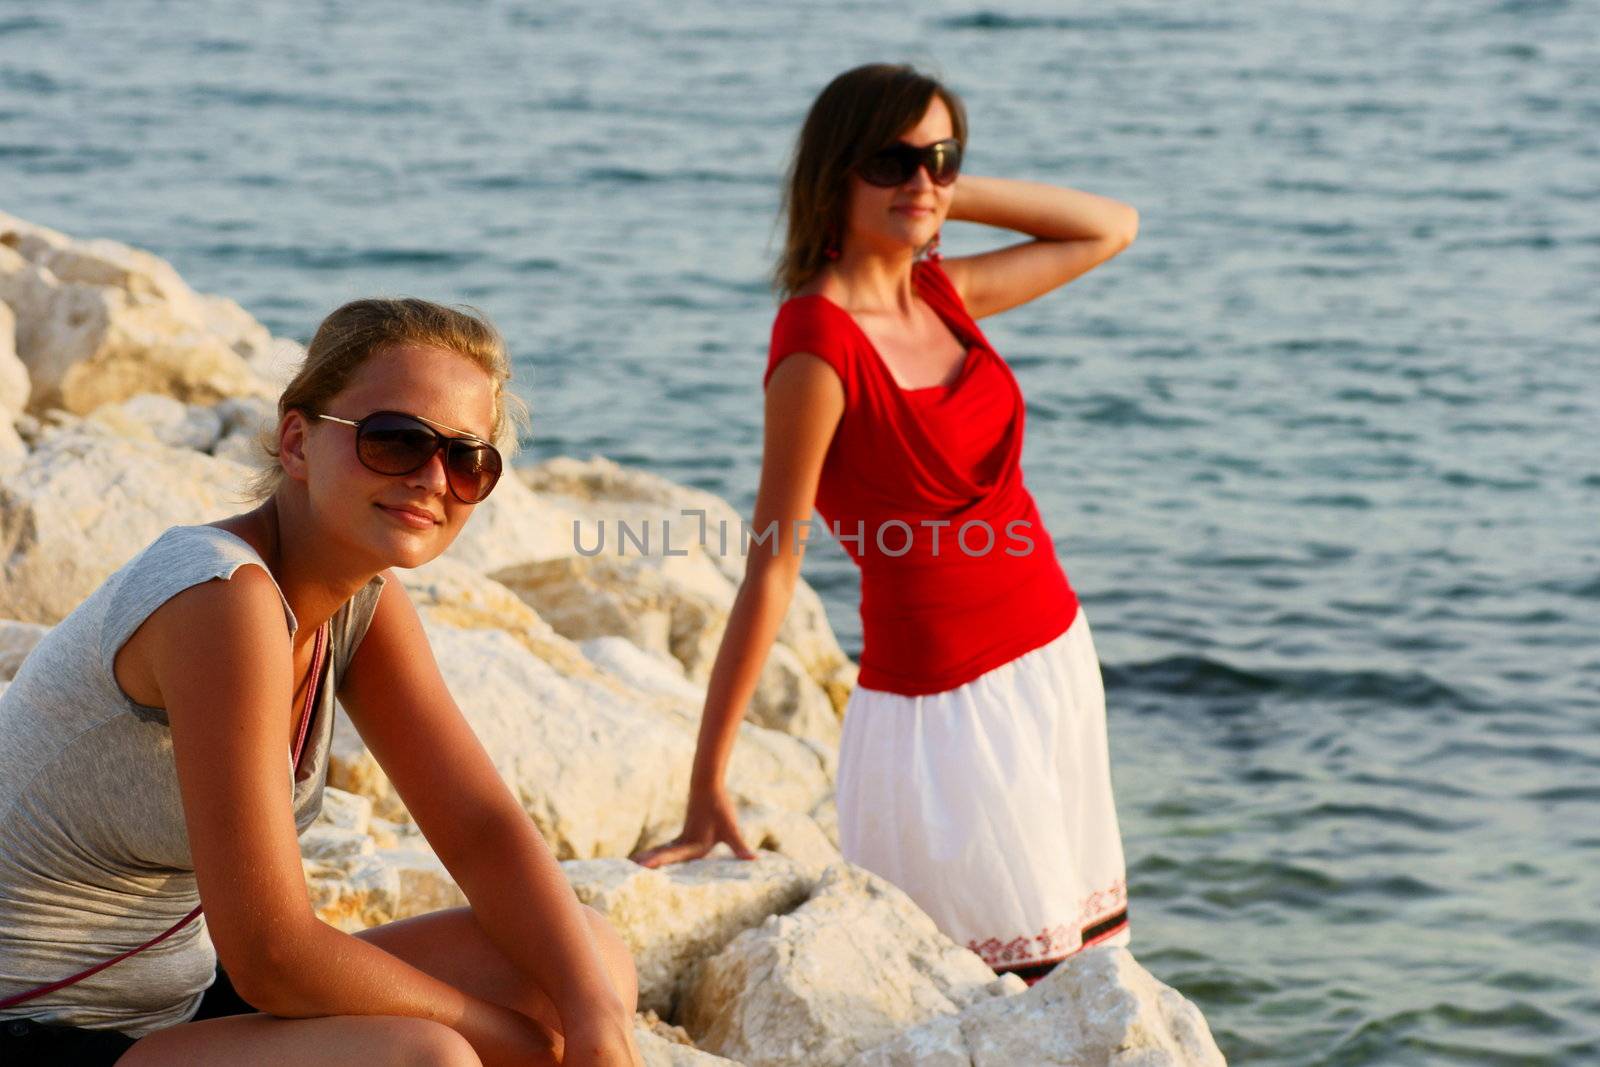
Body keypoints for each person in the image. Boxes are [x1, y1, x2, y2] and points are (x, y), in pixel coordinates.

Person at [0, 298, 644, 1066]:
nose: (433, 478)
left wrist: (595, 1021)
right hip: (42, 1031)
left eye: (468, 459)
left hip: (178, 1008)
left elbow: (481, 830)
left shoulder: (358, 599)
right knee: (428, 1056)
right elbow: (272, 954)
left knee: (590, 962)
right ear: (298, 441)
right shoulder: (219, 598)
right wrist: (518, 1042)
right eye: (397, 441)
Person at [633, 64, 1140, 983]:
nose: (922, 179)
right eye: (891, 160)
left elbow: (1112, 225)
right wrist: (708, 780)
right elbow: (773, 569)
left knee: (1075, 983)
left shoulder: (943, 293)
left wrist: (934, 195)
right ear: (833, 173)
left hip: (1053, 658)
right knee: (980, 991)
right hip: (942, 714)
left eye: (940, 157)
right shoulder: (816, 348)